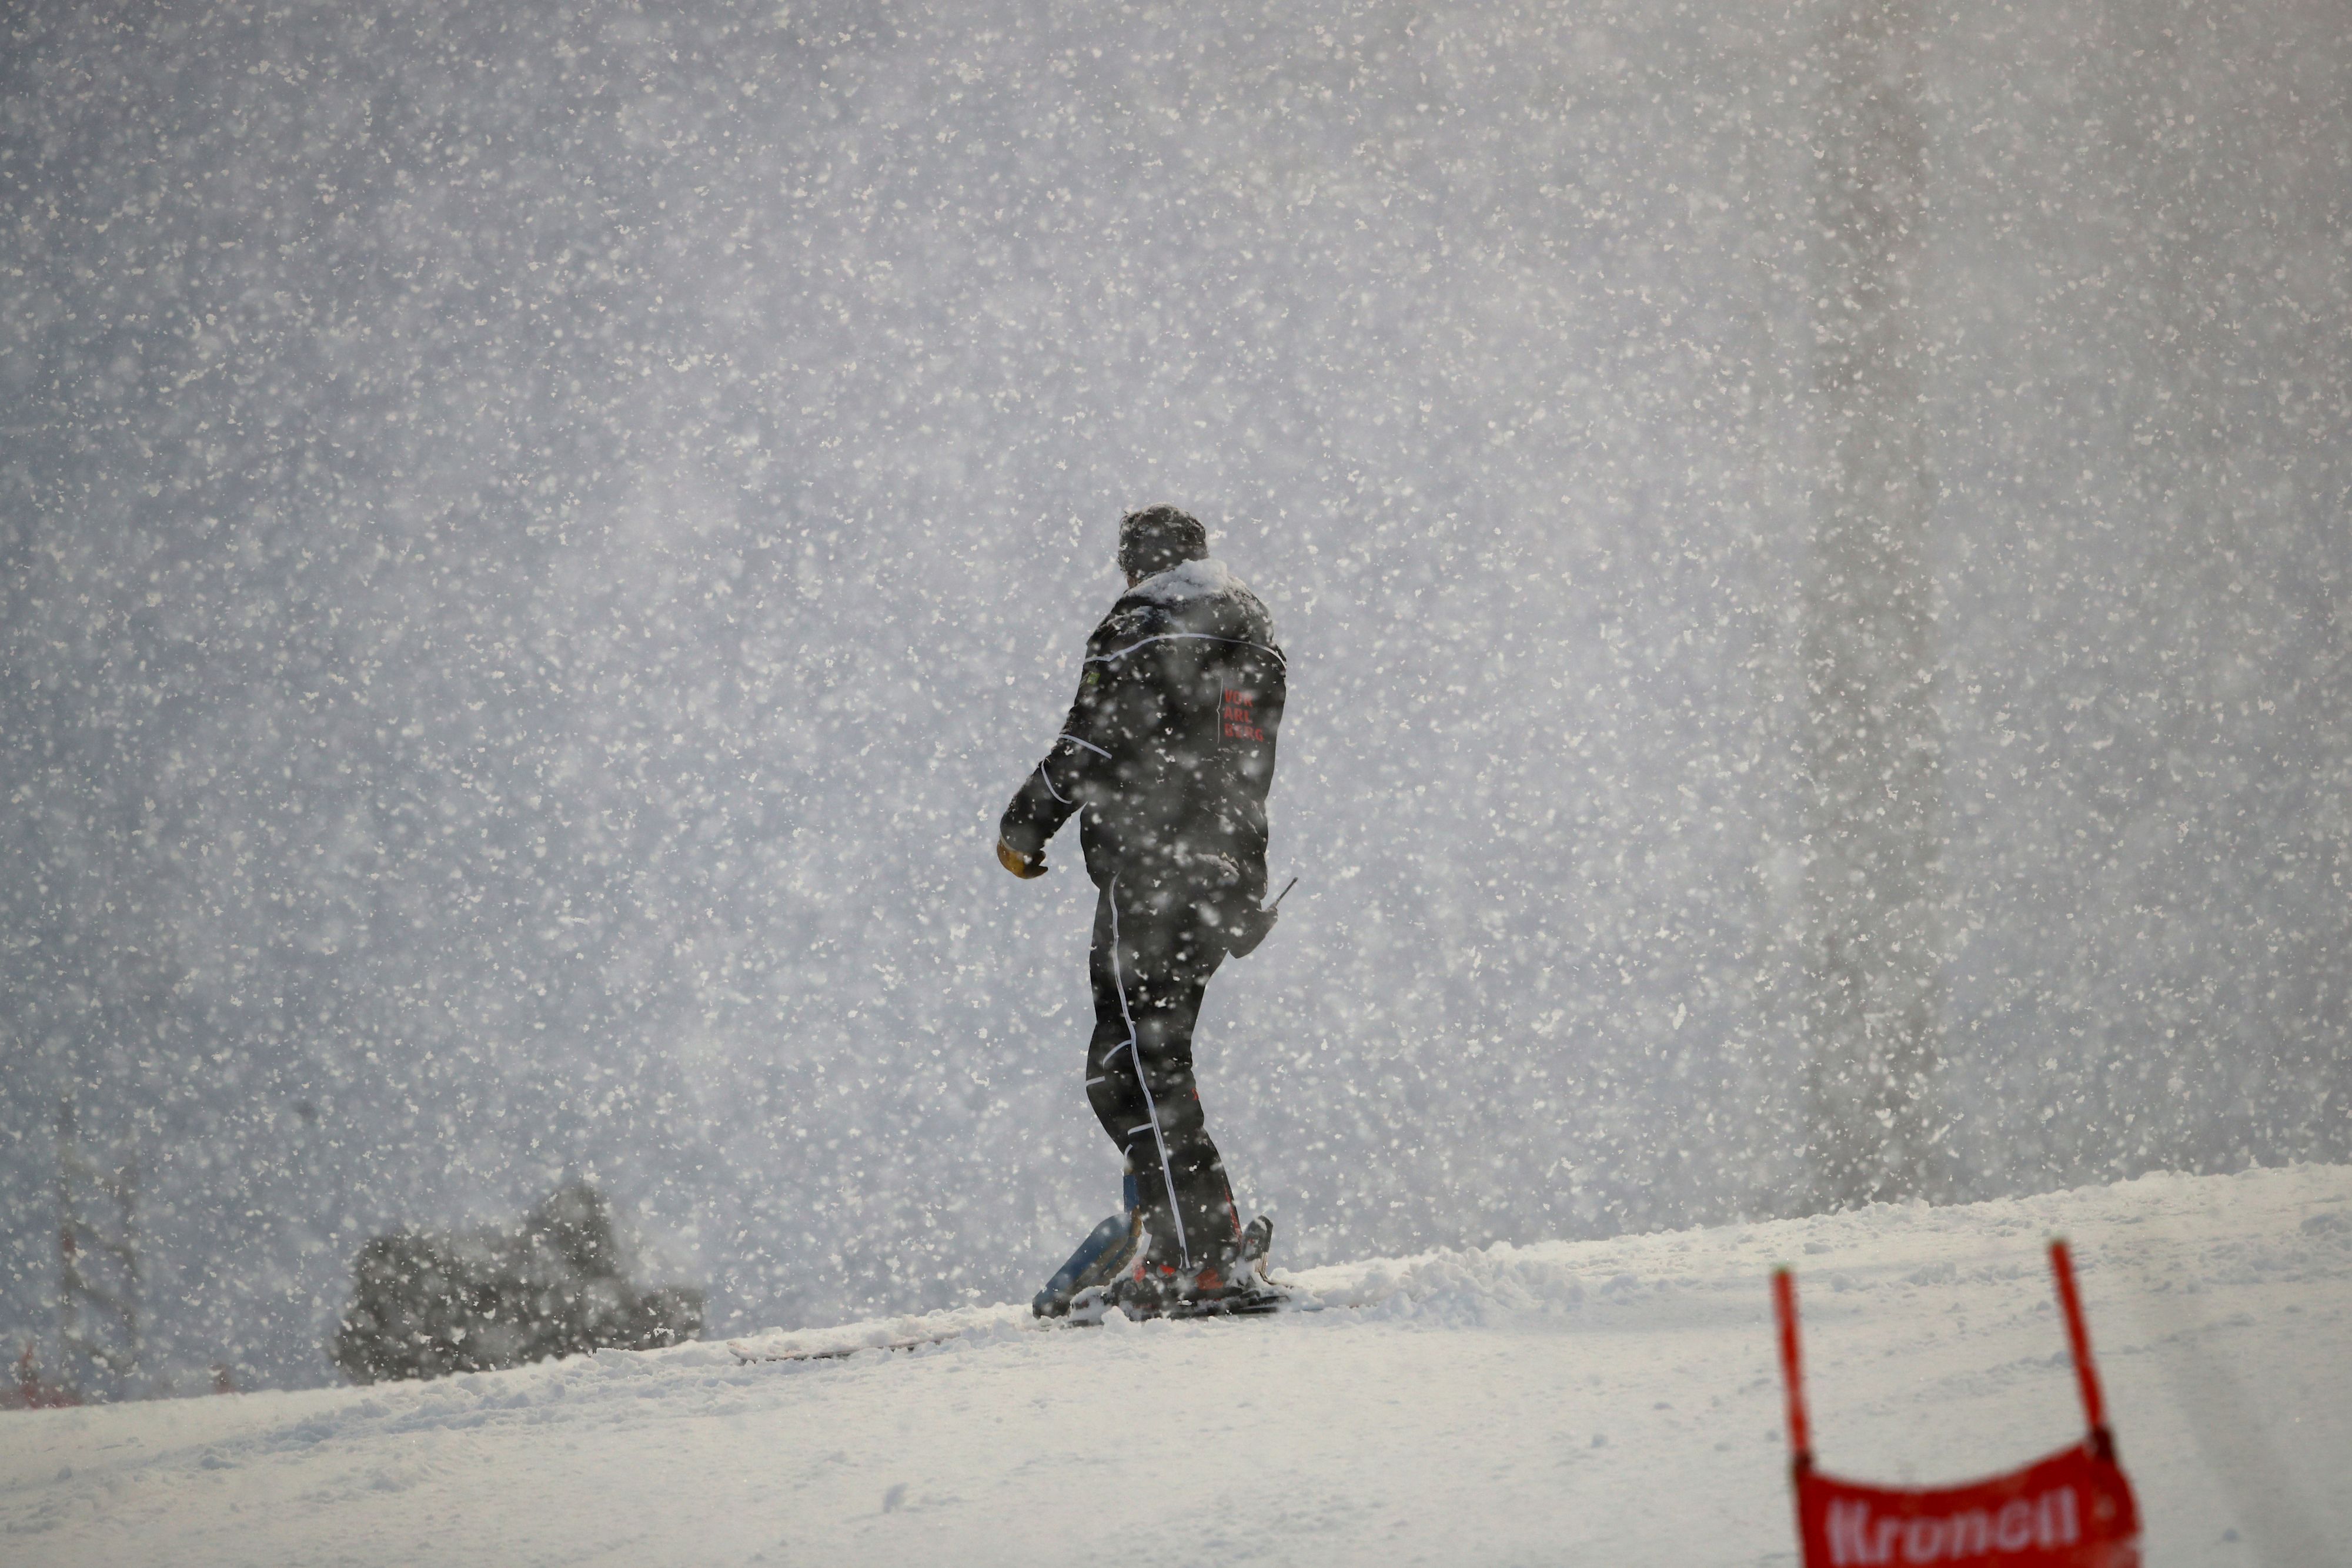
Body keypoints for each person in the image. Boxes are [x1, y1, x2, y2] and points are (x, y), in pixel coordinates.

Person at [997, 506, 1288, 1315]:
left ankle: (1195, 1252)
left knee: (1125, 1068)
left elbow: (1091, 743)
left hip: (1152, 867)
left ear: (1136, 566)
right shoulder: (1253, 632)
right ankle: (1198, 1233)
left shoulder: (1142, 622)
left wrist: (1024, 825)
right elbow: (1248, 756)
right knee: (1158, 1058)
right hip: (1224, 875)